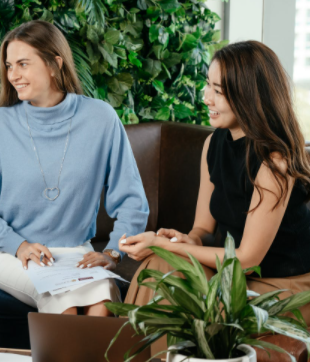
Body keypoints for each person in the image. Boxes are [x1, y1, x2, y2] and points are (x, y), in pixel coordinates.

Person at [0, 20, 149, 316]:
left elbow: (132, 201)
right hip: (15, 255)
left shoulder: (101, 119)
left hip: (76, 250)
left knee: (103, 302)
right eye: (9, 66)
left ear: (54, 64)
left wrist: (113, 252)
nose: (13, 75)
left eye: (23, 64)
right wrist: (18, 244)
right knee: (66, 305)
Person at [120, 41, 310, 322]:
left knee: (166, 263)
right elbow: (203, 228)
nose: (206, 97)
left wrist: (164, 245)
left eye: (218, 91)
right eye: (208, 85)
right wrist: (188, 238)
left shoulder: (274, 163)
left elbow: (247, 259)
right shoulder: (213, 143)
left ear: (248, 96)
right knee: (157, 266)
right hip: (233, 277)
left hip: (279, 284)